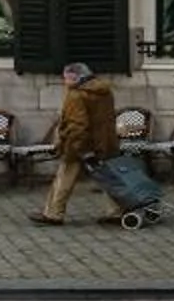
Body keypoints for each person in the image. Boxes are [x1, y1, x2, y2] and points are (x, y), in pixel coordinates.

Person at [33, 63, 119, 226]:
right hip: (105, 142)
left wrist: (76, 147)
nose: (64, 81)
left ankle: (53, 213)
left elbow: (77, 125)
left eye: (66, 77)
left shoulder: (76, 95)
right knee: (109, 178)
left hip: (80, 144)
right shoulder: (105, 92)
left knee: (64, 178)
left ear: (74, 77)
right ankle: (116, 210)